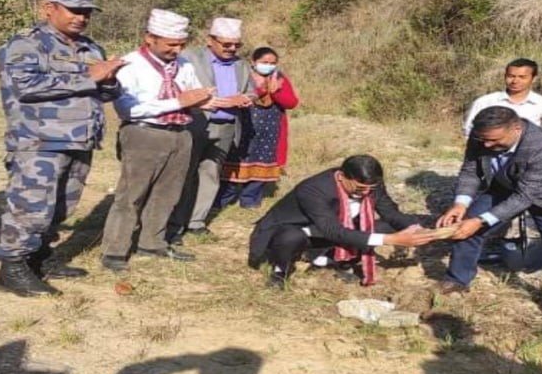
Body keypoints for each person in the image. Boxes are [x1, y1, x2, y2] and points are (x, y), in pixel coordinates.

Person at [0, 0, 126, 297]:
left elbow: (102, 91)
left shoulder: (90, 48)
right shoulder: (25, 44)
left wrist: (110, 82)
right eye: (74, 11)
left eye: (87, 12)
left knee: (62, 206)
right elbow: (24, 86)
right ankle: (12, 267)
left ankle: (39, 258)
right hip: (39, 140)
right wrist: (90, 77)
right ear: (48, 8)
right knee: (30, 207)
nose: (82, 18)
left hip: (80, 139)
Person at [436, 106, 542, 316]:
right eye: (483, 140)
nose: (487, 145)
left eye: (494, 141)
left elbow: (525, 197)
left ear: (516, 128)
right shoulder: (483, 135)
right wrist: (460, 204)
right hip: (507, 184)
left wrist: (480, 220)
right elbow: (470, 170)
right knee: (465, 227)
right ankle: (457, 280)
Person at [99, 9, 216, 271]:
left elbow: (192, 95)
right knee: (132, 194)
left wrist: (209, 101)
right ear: (150, 38)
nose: (177, 50)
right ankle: (114, 251)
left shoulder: (183, 64)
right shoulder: (129, 64)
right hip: (143, 134)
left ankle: (152, 243)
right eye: (171, 44)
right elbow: (128, 108)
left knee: (168, 193)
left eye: (181, 45)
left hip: (181, 133)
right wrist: (178, 101)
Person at [248, 154, 436, 289]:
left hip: (326, 230)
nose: (366, 193)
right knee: (290, 236)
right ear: (341, 176)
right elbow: (333, 231)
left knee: (383, 226)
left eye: (370, 188)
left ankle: (330, 260)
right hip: (291, 230)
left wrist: (416, 228)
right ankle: (279, 271)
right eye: (360, 187)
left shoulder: (371, 186)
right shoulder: (314, 189)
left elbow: (391, 213)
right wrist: (392, 240)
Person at [167, 17, 254, 242]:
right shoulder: (189, 59)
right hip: (195, 124)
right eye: (226, 44)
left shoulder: (241, 65)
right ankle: (174, 223)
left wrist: (245, 98)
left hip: (225, 127)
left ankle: (196, 221)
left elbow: (252, 91)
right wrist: (211, 100)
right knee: (185, 173)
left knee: (210, 173)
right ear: (210, 41)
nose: (232, 49)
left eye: (236, 45)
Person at [216, 46, 299, 210]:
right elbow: (238, 96)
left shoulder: (279, 79)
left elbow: (291, 103)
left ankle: (250, 200)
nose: (268, 65)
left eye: (272, 63)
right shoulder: (243, 75)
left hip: (271, 130)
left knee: (264, 160)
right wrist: (261, 89)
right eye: (264, 62)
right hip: (245, 125)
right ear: (253, 62)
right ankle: (223, 200)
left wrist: (276, 91)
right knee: (236, 160)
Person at [463, 58, 542, 138]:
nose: (515, 81)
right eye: (511, 76)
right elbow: (470, 127)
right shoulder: (485, 102)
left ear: (534, 79)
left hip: (529, 154)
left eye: (522, 77)